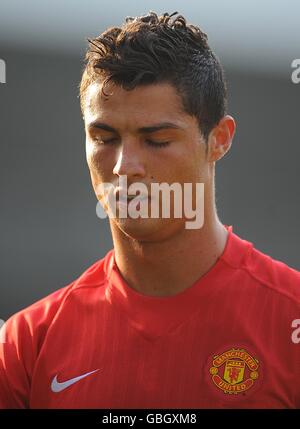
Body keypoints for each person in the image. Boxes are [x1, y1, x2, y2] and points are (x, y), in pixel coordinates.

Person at [1, 11, 300, 409]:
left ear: (219, 140)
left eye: (156, 139)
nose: (125, 166)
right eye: (104, 137)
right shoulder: (27, 345)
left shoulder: (289, 321)